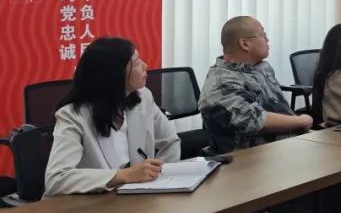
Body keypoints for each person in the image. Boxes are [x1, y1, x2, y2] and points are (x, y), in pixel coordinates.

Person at [45, 37, 180, 196]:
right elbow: (56, 179)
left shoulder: (143, 98)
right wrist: (123, 176)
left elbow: (170, 141)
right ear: (116, 74)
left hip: (136, 200)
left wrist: (159, 179)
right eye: (137, 62)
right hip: (90, 203)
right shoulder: (73, 116)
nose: (145, 66)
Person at [198, 16, 313, 153]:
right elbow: (253, 120)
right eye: (263, 35)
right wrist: (302, 121)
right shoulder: (221, 82)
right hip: (252, 157)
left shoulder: (262, 68)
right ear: (244, 44)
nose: (267, 40)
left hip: (287, 146)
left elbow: (279, 109)